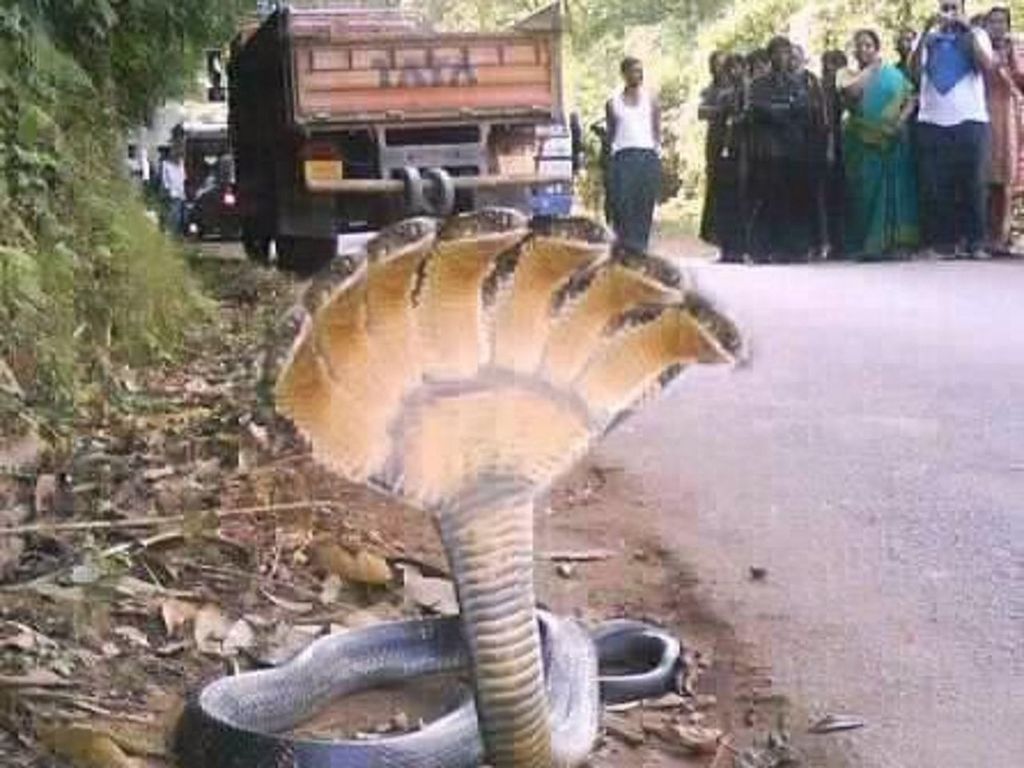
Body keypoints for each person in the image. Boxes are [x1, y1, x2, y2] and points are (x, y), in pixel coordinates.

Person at [912, 0, 994, 259]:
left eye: (953, 7)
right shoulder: (930, 38)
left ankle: (975, 242)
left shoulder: (977, 34)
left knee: (973, 184)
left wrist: (967, 30)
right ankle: (942, 243)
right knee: (936, 187)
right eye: (944, 7)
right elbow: (913, 73)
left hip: (970, 119)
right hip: (932, 120)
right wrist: (925, 34)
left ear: (962, 8)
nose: (948, 13)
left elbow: (987, 66)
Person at [841, 29, 920, 259]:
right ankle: (870, 245)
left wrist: (899, 122)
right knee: (867, 192)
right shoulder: (846, 74)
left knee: (897, 191)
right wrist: (871, 70)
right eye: (860, 45)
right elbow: (852, 94)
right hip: (863, 143)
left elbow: (911, 98)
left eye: (869, 45)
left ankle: (898, 245)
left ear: (877, 48)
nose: (864, 49)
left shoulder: (893, 74)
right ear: (854, 50)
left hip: (894, 139)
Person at [746, 36, 819, 262]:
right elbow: (759, 109)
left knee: (793, 201)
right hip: (768, 151)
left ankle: (793, 249)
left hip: (793, 150)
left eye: (785, 53)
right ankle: (762, 249)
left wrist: (781, 109)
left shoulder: (798, 83)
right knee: (768, 200)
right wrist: (784, 108)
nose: (781, 57)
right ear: (770, 56)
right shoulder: (758, 84)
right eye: (776, 53)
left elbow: (804, 108)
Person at [605, 56, 662, 252]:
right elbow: (611, 133)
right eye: (634, 71)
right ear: (624, 74)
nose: (638, 75)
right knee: (623, 204)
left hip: (646, 155)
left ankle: (641, 247)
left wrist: (656, 153)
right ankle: (626, 245)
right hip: (623, 156)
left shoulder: (651, 100)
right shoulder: (613, 103)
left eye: (640, 71)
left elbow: (656, 129)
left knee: (644, 204)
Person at [983, 6, 1024, 252]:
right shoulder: (980, 50)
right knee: (985, 179)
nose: (997, 26)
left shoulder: (1015, 50)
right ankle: (984, 235)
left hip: (1008, 117)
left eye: (1002, 22)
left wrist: (1013, 56)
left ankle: (1002, 236)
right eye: (993, 22)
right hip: (982, 116)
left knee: (1005, 179)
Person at [699, 51, 729, 247]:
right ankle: (714, 234)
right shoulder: (710, 90)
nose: (719, 69)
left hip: (733, 141)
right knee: (715, 187)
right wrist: (722, 110)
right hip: (715, 142)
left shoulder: (737, 85)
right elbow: (701, 111)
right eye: (715, 65)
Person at [822, 49, 849, 257]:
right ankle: (834, 242)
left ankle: (844, 241)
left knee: (845, 195)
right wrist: (830, 146)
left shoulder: (847, 85)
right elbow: (828, 121)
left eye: (835, 64)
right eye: (827, 64)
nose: (830, 69)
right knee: (831, 196)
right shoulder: (823, 88)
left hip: (847, 143)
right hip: (830, 144)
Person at [160, 142, 187, 236]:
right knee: (174, 213)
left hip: (181, 192)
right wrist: (168, 189)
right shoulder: (166, 164)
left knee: (181, 215)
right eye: (177, 154)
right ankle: (170, 231)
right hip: (173, 192)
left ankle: (176, 232)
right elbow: (165, 180)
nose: (179, 156)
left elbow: (183, 178)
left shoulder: (181, 163)